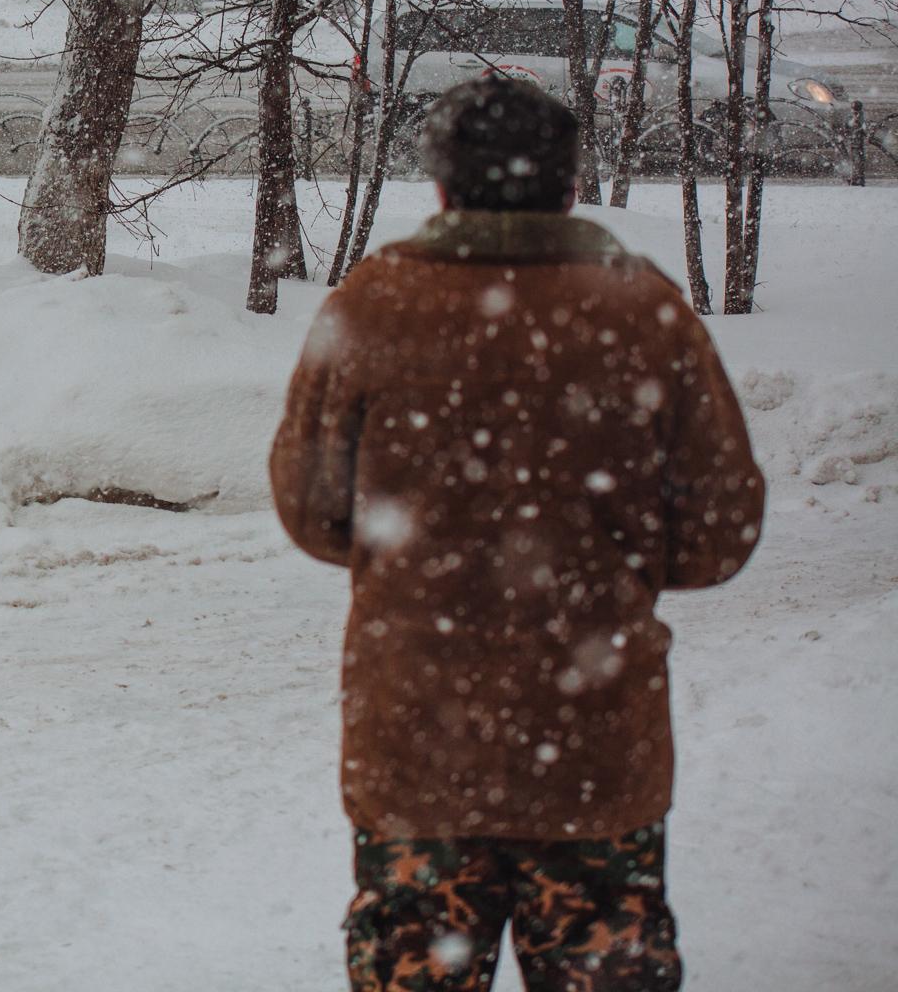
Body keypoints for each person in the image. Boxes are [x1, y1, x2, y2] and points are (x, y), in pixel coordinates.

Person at [269, 77, 765, 991]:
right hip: (594, 752)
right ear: (569, 186)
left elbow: (312, 512)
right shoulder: (643, 313)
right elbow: (721, 529)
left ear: (443, 189)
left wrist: (421, 560)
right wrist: (605, 564)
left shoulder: (372, 308)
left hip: (417, 749)